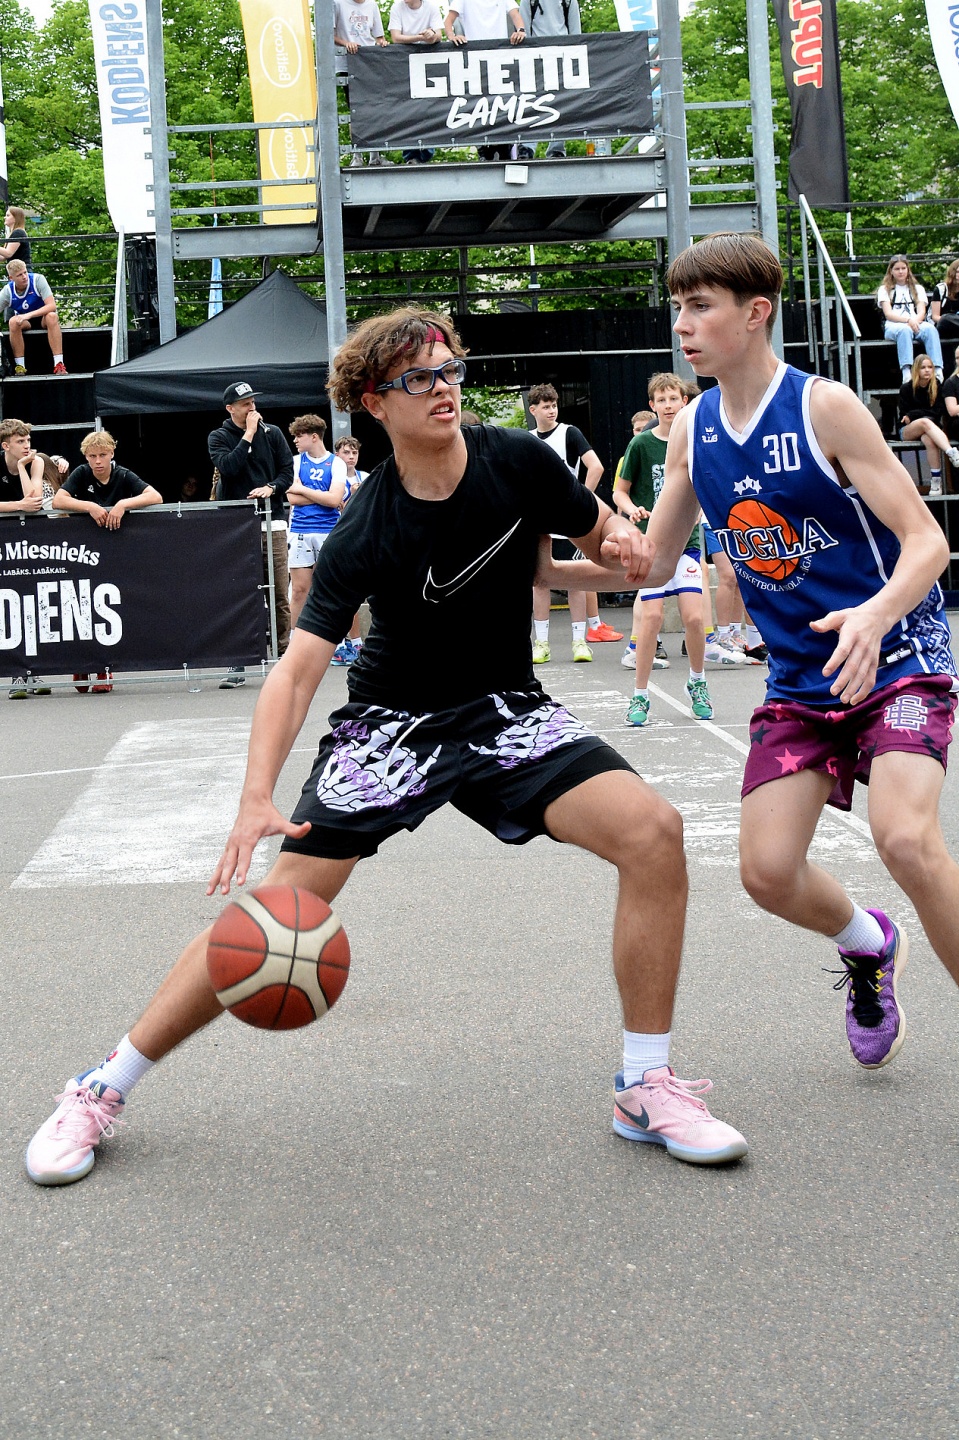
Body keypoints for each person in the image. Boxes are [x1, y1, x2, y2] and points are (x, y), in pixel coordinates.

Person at [24, 305, 748, 1188]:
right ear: (373, 401)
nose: (443, 389)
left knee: (654, 832)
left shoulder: (518, 461)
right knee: (270, 915)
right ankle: (101, 1086)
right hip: (393, 726)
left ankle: (643, 1085)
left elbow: (603, 537)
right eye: (417, 379)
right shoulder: (365, 525)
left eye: (449, 371)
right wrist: (255, 796)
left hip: (504, 710)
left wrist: (624, 542)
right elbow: (297, 671)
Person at [642, 230, 959, 1075]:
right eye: (677, 308)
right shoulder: (691, 430)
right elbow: (649, 563)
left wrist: (874, 615)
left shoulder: (824, 407)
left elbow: (926, 542)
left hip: (895, 654)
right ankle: (867, 944)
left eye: (698, 307)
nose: (682, 324)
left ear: (755, 313)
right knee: (767, 873)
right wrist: (538, 552)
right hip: (799, 679)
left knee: (904, 839)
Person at [613, 372, 713, 726]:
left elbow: (709, 483)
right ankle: (640, 694)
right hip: (650, 544)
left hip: (687, 542)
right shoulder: (642, 444)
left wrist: (704, 508)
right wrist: (631, 509)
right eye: (662, 400)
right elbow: (619, 491)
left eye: (674, 399)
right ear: (652, 406)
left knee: (695, 617)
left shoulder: (695, 440)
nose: (668, 405)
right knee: (652, 617)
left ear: (684, 401)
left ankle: (697, 682)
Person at [54, 431, 163, 696]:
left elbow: (155, 496)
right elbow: (58, 500)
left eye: (102, 455)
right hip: (82, 552)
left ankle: (103, 668)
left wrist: (123, 504)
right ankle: (81, 664)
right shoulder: (82, 473)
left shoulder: (123, 475)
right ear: (86, 457)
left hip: (114, 551)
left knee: (105, 608)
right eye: (92, 456)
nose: (98, 461)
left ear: (112, 454)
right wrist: (89, 506)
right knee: (80, 606)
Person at [208, 381, 295, 688]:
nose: (252, 408)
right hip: (238, 527)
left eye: (253, 402)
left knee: (279, 593)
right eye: (245, 404)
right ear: (230, 408)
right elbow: (228, 468)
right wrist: (248, 435)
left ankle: (284, 658)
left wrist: (272, 487)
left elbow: (287, 472)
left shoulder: (273, 433)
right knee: (241, 593)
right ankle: (239, 661)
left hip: (273, 522)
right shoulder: (218, 437)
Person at [528, 382, 617, 662]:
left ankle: (579, 641)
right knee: (539, 582)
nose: (552, 410)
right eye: (546, 406)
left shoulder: (569, 433)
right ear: (533, 410)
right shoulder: (528, 439)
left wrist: (581, 498)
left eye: (554, 405)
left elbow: (596, 466)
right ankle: (541, 643)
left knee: (574, 580)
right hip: (540, 520)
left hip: (567, 520)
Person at [445, 0, 526, 162]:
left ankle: (504, 145)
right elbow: (448, 20)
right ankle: (483, 147)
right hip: (475, 58)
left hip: (499, 57)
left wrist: (521, 31)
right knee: (478, 103)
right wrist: (452, 36)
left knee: (503, 102)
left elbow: (515, 14)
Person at [287, 414, 346, 628]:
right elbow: (292, 498)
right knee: (299, 590)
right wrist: (323, 496)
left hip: (328, 530)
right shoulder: (295, 462)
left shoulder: (336, 463)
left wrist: (302, 489)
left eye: (299, 435)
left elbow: (334, 500)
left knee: (330, 587)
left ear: (314, 437)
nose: (295, 440)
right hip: (300, 530)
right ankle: (294, 638)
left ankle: (336, 638)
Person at [517, 0, 580, 157]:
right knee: (532, 101)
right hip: (536, 58)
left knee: (560, 102)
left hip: (562, 57)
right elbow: (523, 30)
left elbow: (576, 33)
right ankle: (527, 146)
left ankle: (556, 148)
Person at [335, 0, 391, 168]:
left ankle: (375, 155)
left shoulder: (372, 5)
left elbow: (379, 36)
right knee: (355, 110)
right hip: (348, 64)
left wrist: (382, 43)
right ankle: (357, 155)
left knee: (374, 108)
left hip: (369, 62)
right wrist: (346, 43)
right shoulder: (338, 4)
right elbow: (328, 34)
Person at [897, 353, 959, 498]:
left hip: (931, 430)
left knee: (929, 439)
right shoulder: (906, 388)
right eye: (923, 367)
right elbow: (905, 417)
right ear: (916, 370)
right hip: (908, 430)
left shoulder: (937, 386)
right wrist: (917, 416)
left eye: (930, 367)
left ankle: (936, 481)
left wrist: (914, 414)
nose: (927, 370)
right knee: (925, 422)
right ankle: (951, 452)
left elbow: (937, 412)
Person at [388, 0, 442, 164]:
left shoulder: (431, 7)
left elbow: (439, 35)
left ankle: (426, 152)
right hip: (405, 64)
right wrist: (420, 37)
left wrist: (431, 36)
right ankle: (410, 154)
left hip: (428, 65)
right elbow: (396, 37)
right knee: (408, 109)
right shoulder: (397, 7)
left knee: (429, 108)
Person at [877, 254, 943, 383]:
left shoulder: (918, 289)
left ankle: (937, 369)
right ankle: (907, 371)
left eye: (903, 268)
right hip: (894, 325)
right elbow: (888, 314)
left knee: (930, 329)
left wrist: (914, 321)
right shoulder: (884, 289)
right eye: (897, 269)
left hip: (916, 322)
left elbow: (922, 311)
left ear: (908, 270)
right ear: (891, 271)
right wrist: (908, 321)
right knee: (904, 331)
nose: (901, 272)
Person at [1, 258, 67, 376]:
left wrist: (28, 314)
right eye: (19, 275)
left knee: (52, 316)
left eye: (25, 272)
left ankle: (59, 364)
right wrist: (25, 317)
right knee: (13, 322)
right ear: (11, 278)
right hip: (26, 322)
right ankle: (20, 367)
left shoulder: (38, 280)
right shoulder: (7, 291)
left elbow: (52, 305)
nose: (24, 277)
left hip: (43, 318)